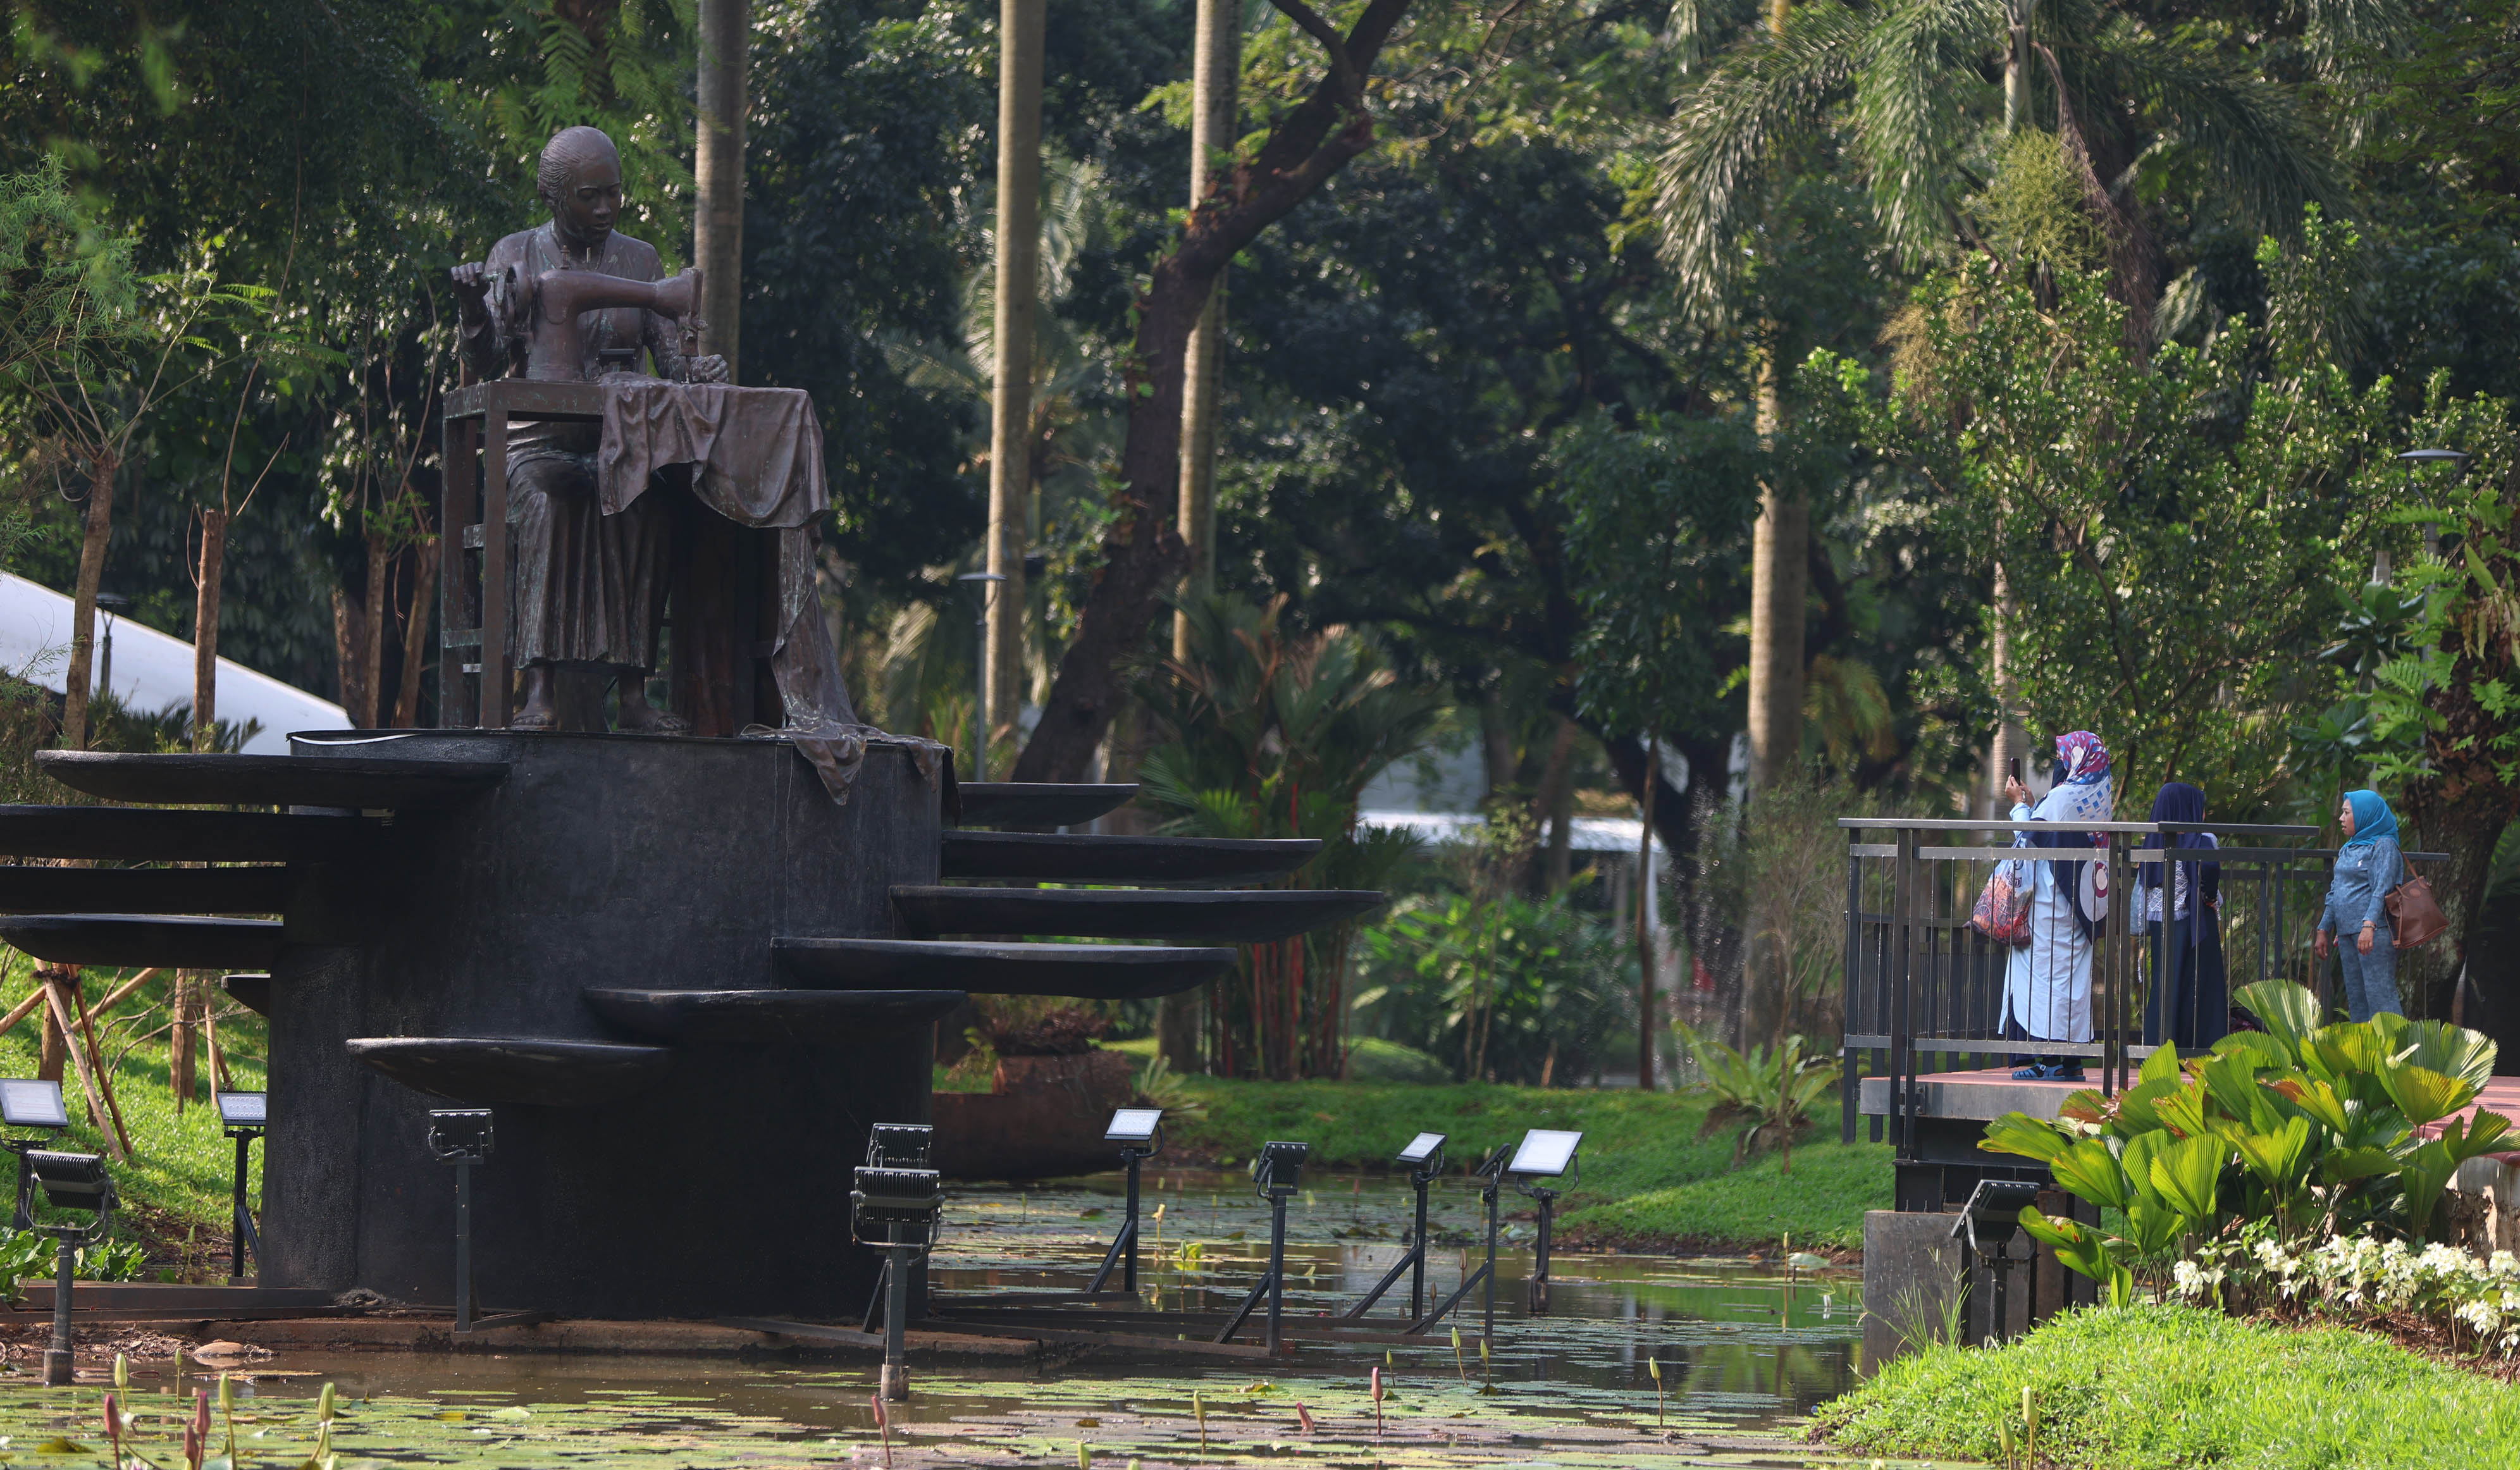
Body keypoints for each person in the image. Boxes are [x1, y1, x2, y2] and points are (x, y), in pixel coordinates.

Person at [451, 125, 727, 732]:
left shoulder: (641, 260)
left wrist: (697, 366)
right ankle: (538, 690)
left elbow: (673, 365)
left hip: (616, 445)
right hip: (536, 444)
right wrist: (474, 309)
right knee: (553, 502)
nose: (604, 208)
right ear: (555, 197)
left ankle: (632, 696)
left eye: (613, 194)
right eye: (588, 196)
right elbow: (488, 362)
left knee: (650, 510)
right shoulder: (515, 255)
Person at [2000, 731, 2113, 1080]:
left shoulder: (2063, 796)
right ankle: (2071, 1064)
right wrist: (2035, 807)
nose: (2063, 763)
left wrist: (2019, 805)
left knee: (2045, 984)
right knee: (2072, 984)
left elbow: (2028, 841)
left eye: (2066, 757)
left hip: (2050, 908)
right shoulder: (2099, 797)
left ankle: (2046, 1063)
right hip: (2082, 907)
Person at [2136, 781, 2225, 1049]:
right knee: (2200, 985)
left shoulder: (2151, 842)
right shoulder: (2202, 838)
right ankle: (2199, 1048)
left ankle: (2158, 1048)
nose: (2205, 814)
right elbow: (2209, 868)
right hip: (2193, 920)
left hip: (2159, 922)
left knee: (2165, 984)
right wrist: (2210, 898)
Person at [2317, 789, 2407, 1022]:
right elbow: (2336, 889)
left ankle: (2394, 1054)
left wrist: (2369, 925)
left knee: (2381, 998)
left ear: (2365, 815)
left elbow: (2382, 889)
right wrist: (2323, 928)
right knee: (2357, 1001)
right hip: (2347, 934)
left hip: (2373, 934)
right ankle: (2364, 1056)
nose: (2341, 818)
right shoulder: (2349, 847)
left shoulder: (2384, 845)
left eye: (2346, 813)